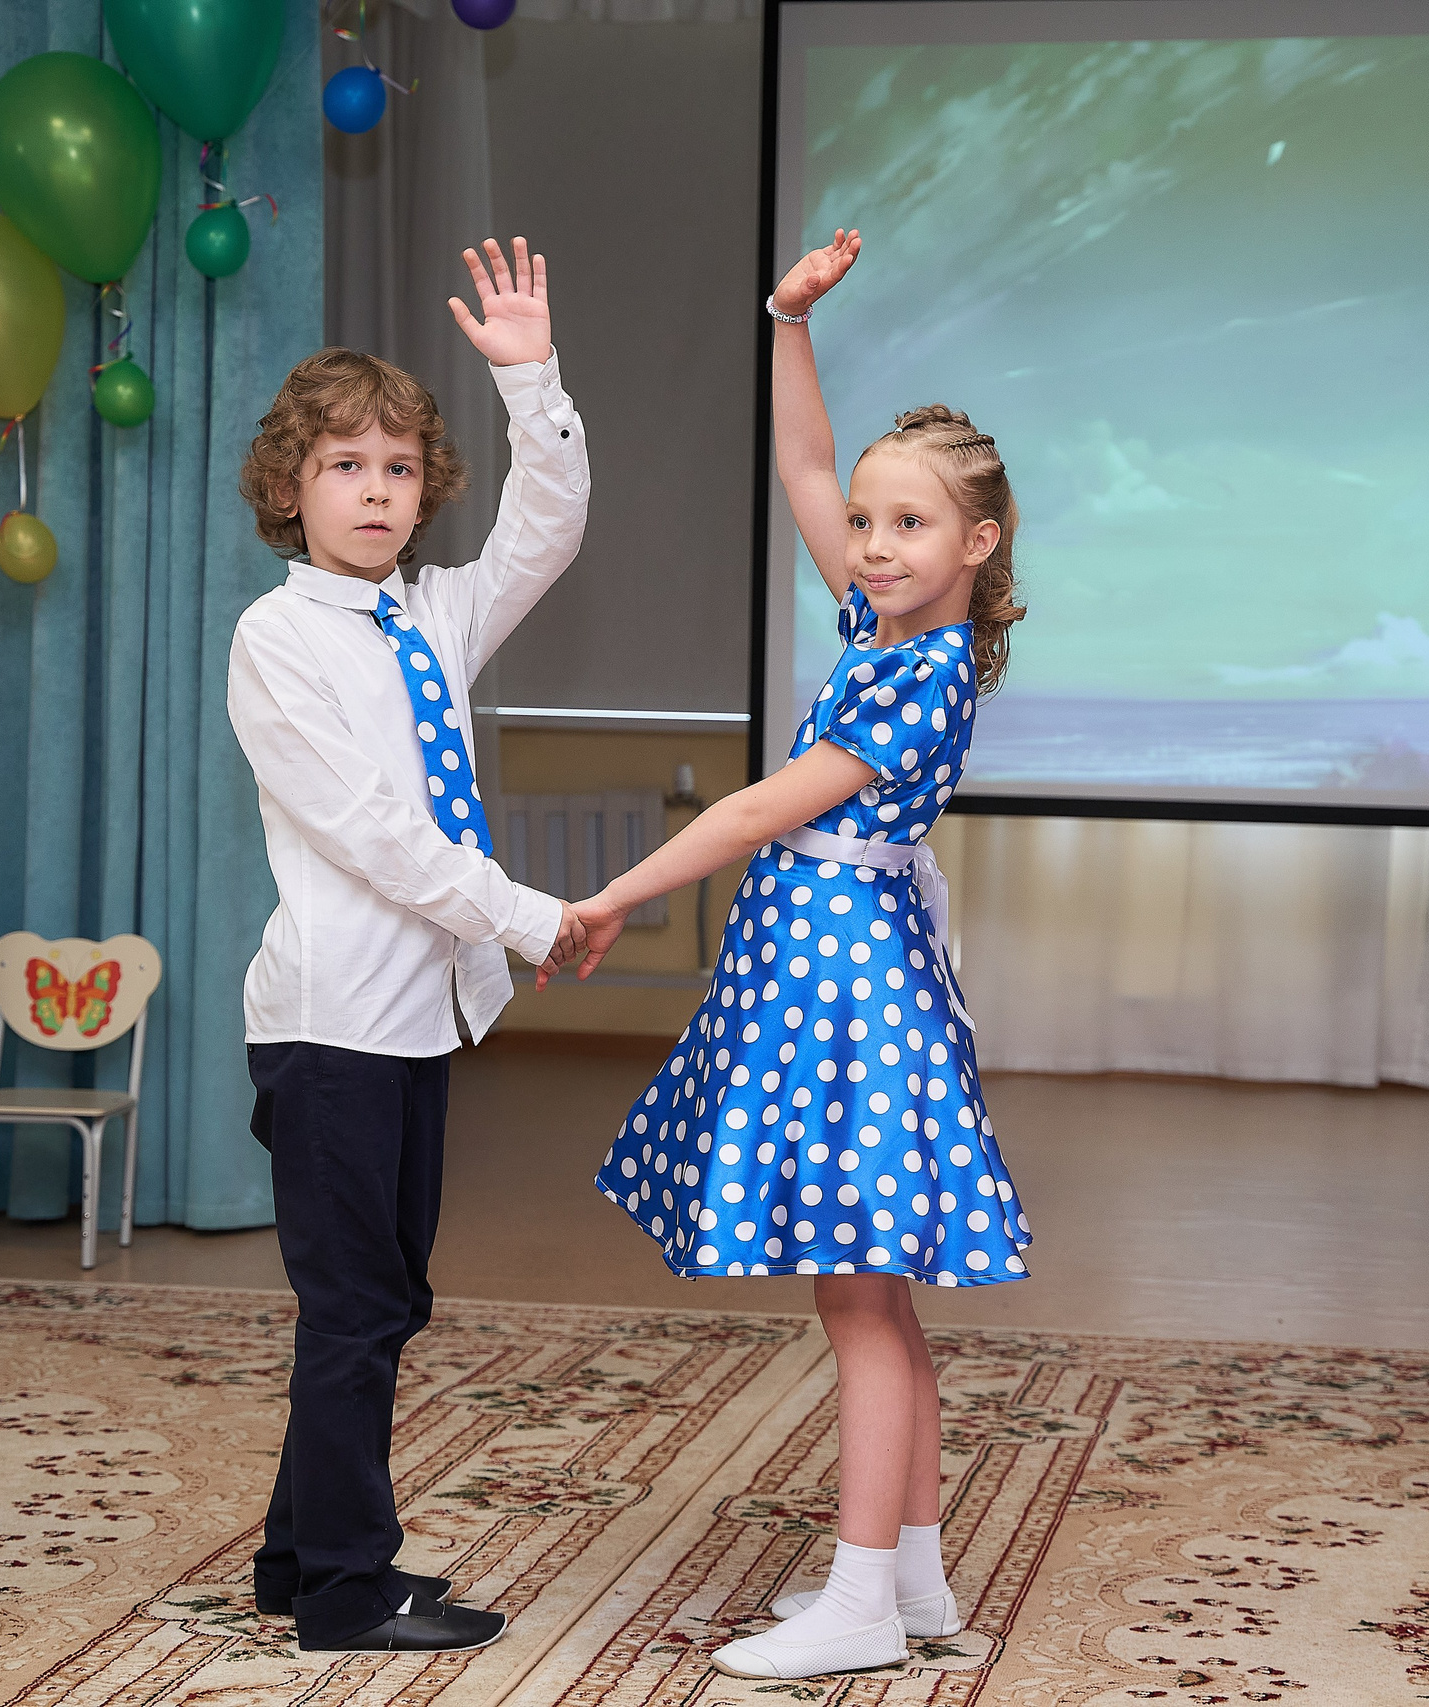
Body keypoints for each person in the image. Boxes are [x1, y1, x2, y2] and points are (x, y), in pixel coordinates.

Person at [543, 229, 1029, 1681]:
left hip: (850, 978)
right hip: (823, 955)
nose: (873, 543)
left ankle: (863, 1593)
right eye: (872, 525)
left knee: (861, 1298)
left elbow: (762, 805)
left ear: (978, 545)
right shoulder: (885, 622)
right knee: (872, 1295)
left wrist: (616, 890)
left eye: (910, 526)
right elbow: (808, 470)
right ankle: (921, 1572)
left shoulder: (924, 668)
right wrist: (785, 320)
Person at [225, 238, 588, 1656]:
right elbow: (378, 831)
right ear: (290, 487)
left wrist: (531, 381)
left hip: (417, 1017)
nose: (374, 491)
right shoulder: (279, 639)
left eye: (395, 468)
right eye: (342, 467)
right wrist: (530, 917)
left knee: (380, 1297)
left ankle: (290, 1550)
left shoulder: (431, 618)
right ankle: (344, 1590)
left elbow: (547, 529)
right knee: (357, 1303)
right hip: (327, 1028)